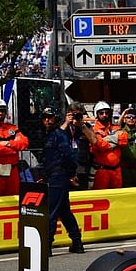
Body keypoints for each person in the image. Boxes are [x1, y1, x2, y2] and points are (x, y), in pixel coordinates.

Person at [41, 107, 84, 253]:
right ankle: (77, 241)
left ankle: (47, 245)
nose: (47, 120)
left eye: (50, 117)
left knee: (51, 211)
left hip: (59, 177)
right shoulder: (48, 134)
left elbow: (70, 156)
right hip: (53, 176)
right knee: (64, 211)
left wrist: (71, 174)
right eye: (45, 117)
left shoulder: (59, 135)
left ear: (55, 118)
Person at [90, 101, 128, 189]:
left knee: (117, 197)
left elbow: (124, 139)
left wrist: (105, 141)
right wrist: (115, 139)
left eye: (107, 113)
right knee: (101, 197)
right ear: (97, 114)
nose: (104, 115)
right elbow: (99, 146)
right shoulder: (94, 130)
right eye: (101, 113)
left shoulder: (114, 127)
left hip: (117, 170)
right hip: (102, 171)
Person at [65, 102, 95, 190]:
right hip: (66, 167)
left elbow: (94, 140)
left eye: (78, 114)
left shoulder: (86, 126)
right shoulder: (64, 126)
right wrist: (67, 122)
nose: (76, 116)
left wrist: (82, 125)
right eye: (74, 114)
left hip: (82, 167)